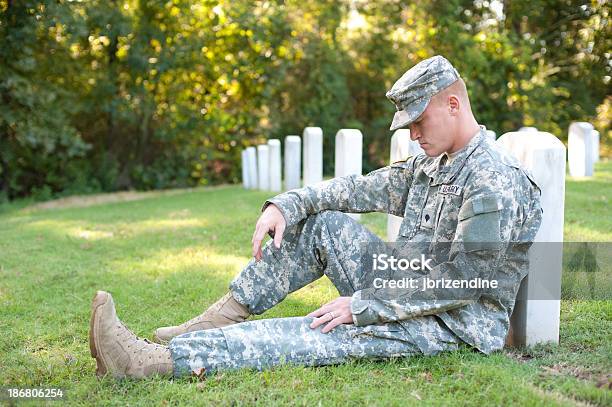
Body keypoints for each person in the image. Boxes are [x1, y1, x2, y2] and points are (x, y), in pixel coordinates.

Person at [89, 55, 542, 379]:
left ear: (453, 104)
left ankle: (154, 361)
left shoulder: (492, 179)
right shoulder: (433, 162)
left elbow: (462, 278)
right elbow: (357, 188)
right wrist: (287, 203)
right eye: (408, 125)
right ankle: (219, 318)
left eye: (418, 121)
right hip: (403, 286)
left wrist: (363, 306)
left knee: (319, 331)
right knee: (324, 223)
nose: (413, 133)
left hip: (451, 324)